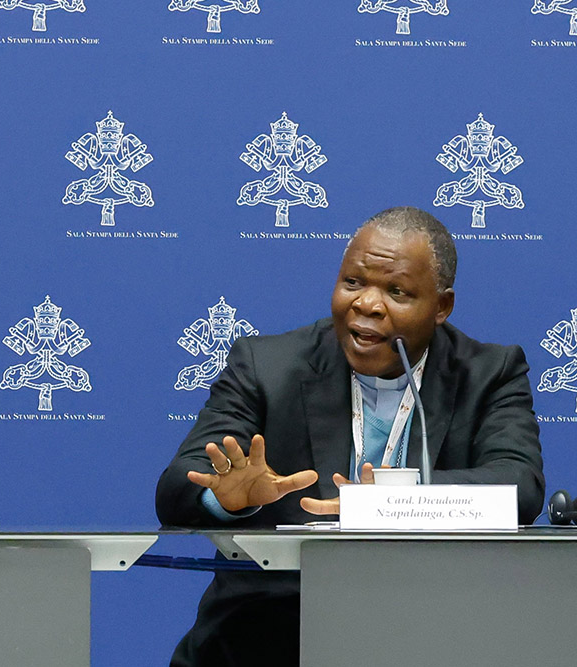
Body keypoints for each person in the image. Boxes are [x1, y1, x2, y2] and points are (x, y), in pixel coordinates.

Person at [155, 206, 544, 666]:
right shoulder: (266, 364)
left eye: (396, 291)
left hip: (433, 624)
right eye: (354, 283)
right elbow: (179, 486)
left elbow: (519, 487)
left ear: (441, 306)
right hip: (270, 633)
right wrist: (226, 497)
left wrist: (395, 501)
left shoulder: (488, 373)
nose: (368, 305)